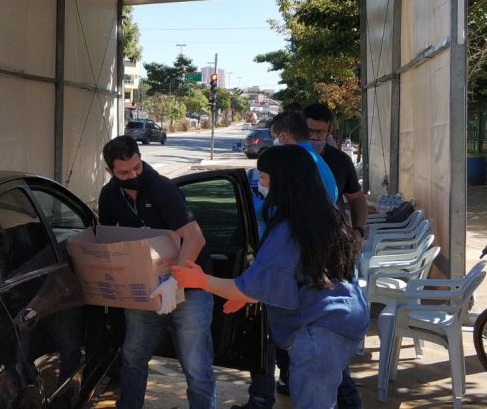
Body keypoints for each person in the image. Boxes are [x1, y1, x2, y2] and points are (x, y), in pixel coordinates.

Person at [171, 145, 369, 409]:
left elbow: (252, 286)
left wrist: (199, 280)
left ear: (283, 181)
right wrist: (250, 293)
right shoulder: (326, 215)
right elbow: (294, 276)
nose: (261, 184)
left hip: (319, 332)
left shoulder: (288, 228)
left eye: (264, 177)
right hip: (347, 319)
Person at [98, 135, 215, 409]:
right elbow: (108, 240)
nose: (133, 175)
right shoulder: (109, 195)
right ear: (109, 171)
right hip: (145, 288)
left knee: (196, 366)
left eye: (137, 167)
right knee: (132, 355)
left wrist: (175, 281)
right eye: (124, 173)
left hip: (190, 286)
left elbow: (195, 238)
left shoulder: (162, 189)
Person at [303, 103, 369, 244]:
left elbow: (356, 198)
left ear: (330, 130)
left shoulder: (340, 161)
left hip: (332, 240)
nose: (314, 137)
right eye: (309, 131)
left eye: (320, 132)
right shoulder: (290, 158)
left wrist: (358, 231)